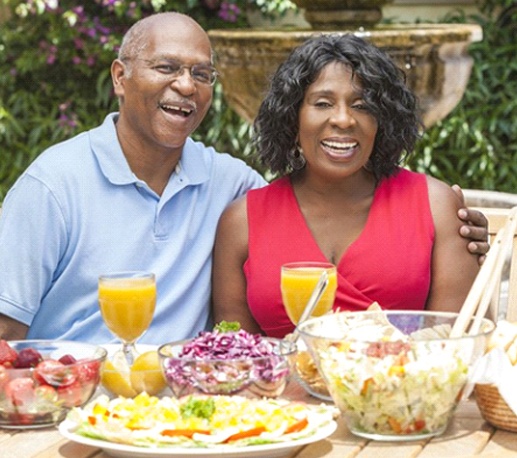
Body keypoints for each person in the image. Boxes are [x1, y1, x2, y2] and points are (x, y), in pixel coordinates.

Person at [0, 14, 487, 344]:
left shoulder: (228, 182)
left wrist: (466, 229)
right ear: (120, 77)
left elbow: (459, 341)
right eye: (166, 67)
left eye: (201, 72)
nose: (185, 85)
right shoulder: (53, 185)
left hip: (193, 410)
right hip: (72, 399)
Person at [212, 34, 482, 338]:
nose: (343, 119)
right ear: (292, 117)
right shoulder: (241, 222)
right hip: (279, 386)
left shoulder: (435, 206)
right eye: (323, 103)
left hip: (406, 383)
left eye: (362, 105)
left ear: (383, 120)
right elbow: (236, 356)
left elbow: (458, 343)